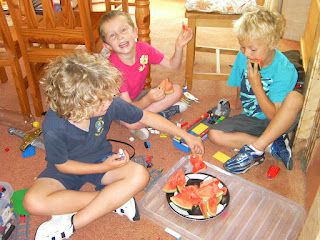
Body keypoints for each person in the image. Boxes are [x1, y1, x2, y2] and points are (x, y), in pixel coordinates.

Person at [23, 52, 204, 240]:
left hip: (101, 159)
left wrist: (185, 135)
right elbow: (62, 165)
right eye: (102, 100)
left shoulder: (107, 103)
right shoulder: (53, 125)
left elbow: (146, 116)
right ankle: (113, 201)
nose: (109, 102)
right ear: (78, 106)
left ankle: (72, 224)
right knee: (32, 202)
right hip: (67, 169)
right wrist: (103, 168)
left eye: (109, 96)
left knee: (140, 175)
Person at [208, 7, 304, 174]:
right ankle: (272, 144)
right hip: (252, 119)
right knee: (214, 135)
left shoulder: (284, 70)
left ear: (273, 43)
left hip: (277, 120)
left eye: (253, 49)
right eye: (242, 47)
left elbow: (273, 115)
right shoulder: (243, 57)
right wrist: (237, 106)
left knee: (296, 98)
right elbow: (239, 86)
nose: (246, 53)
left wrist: (256, 83)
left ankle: (256, 149)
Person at [98, 10, 193, 140]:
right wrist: (148, 99)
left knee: (177, 90)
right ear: (107, 45)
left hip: (137, 97)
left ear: (135, 32)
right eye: (113, 35)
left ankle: (149, 117)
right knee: (131, 122)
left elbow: (173, 65)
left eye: (123, 30)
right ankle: (157, 115)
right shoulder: (114, 69)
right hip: (120, 107)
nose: (120, 37)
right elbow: (127, 108)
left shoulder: (144, 49)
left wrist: (179, 46)